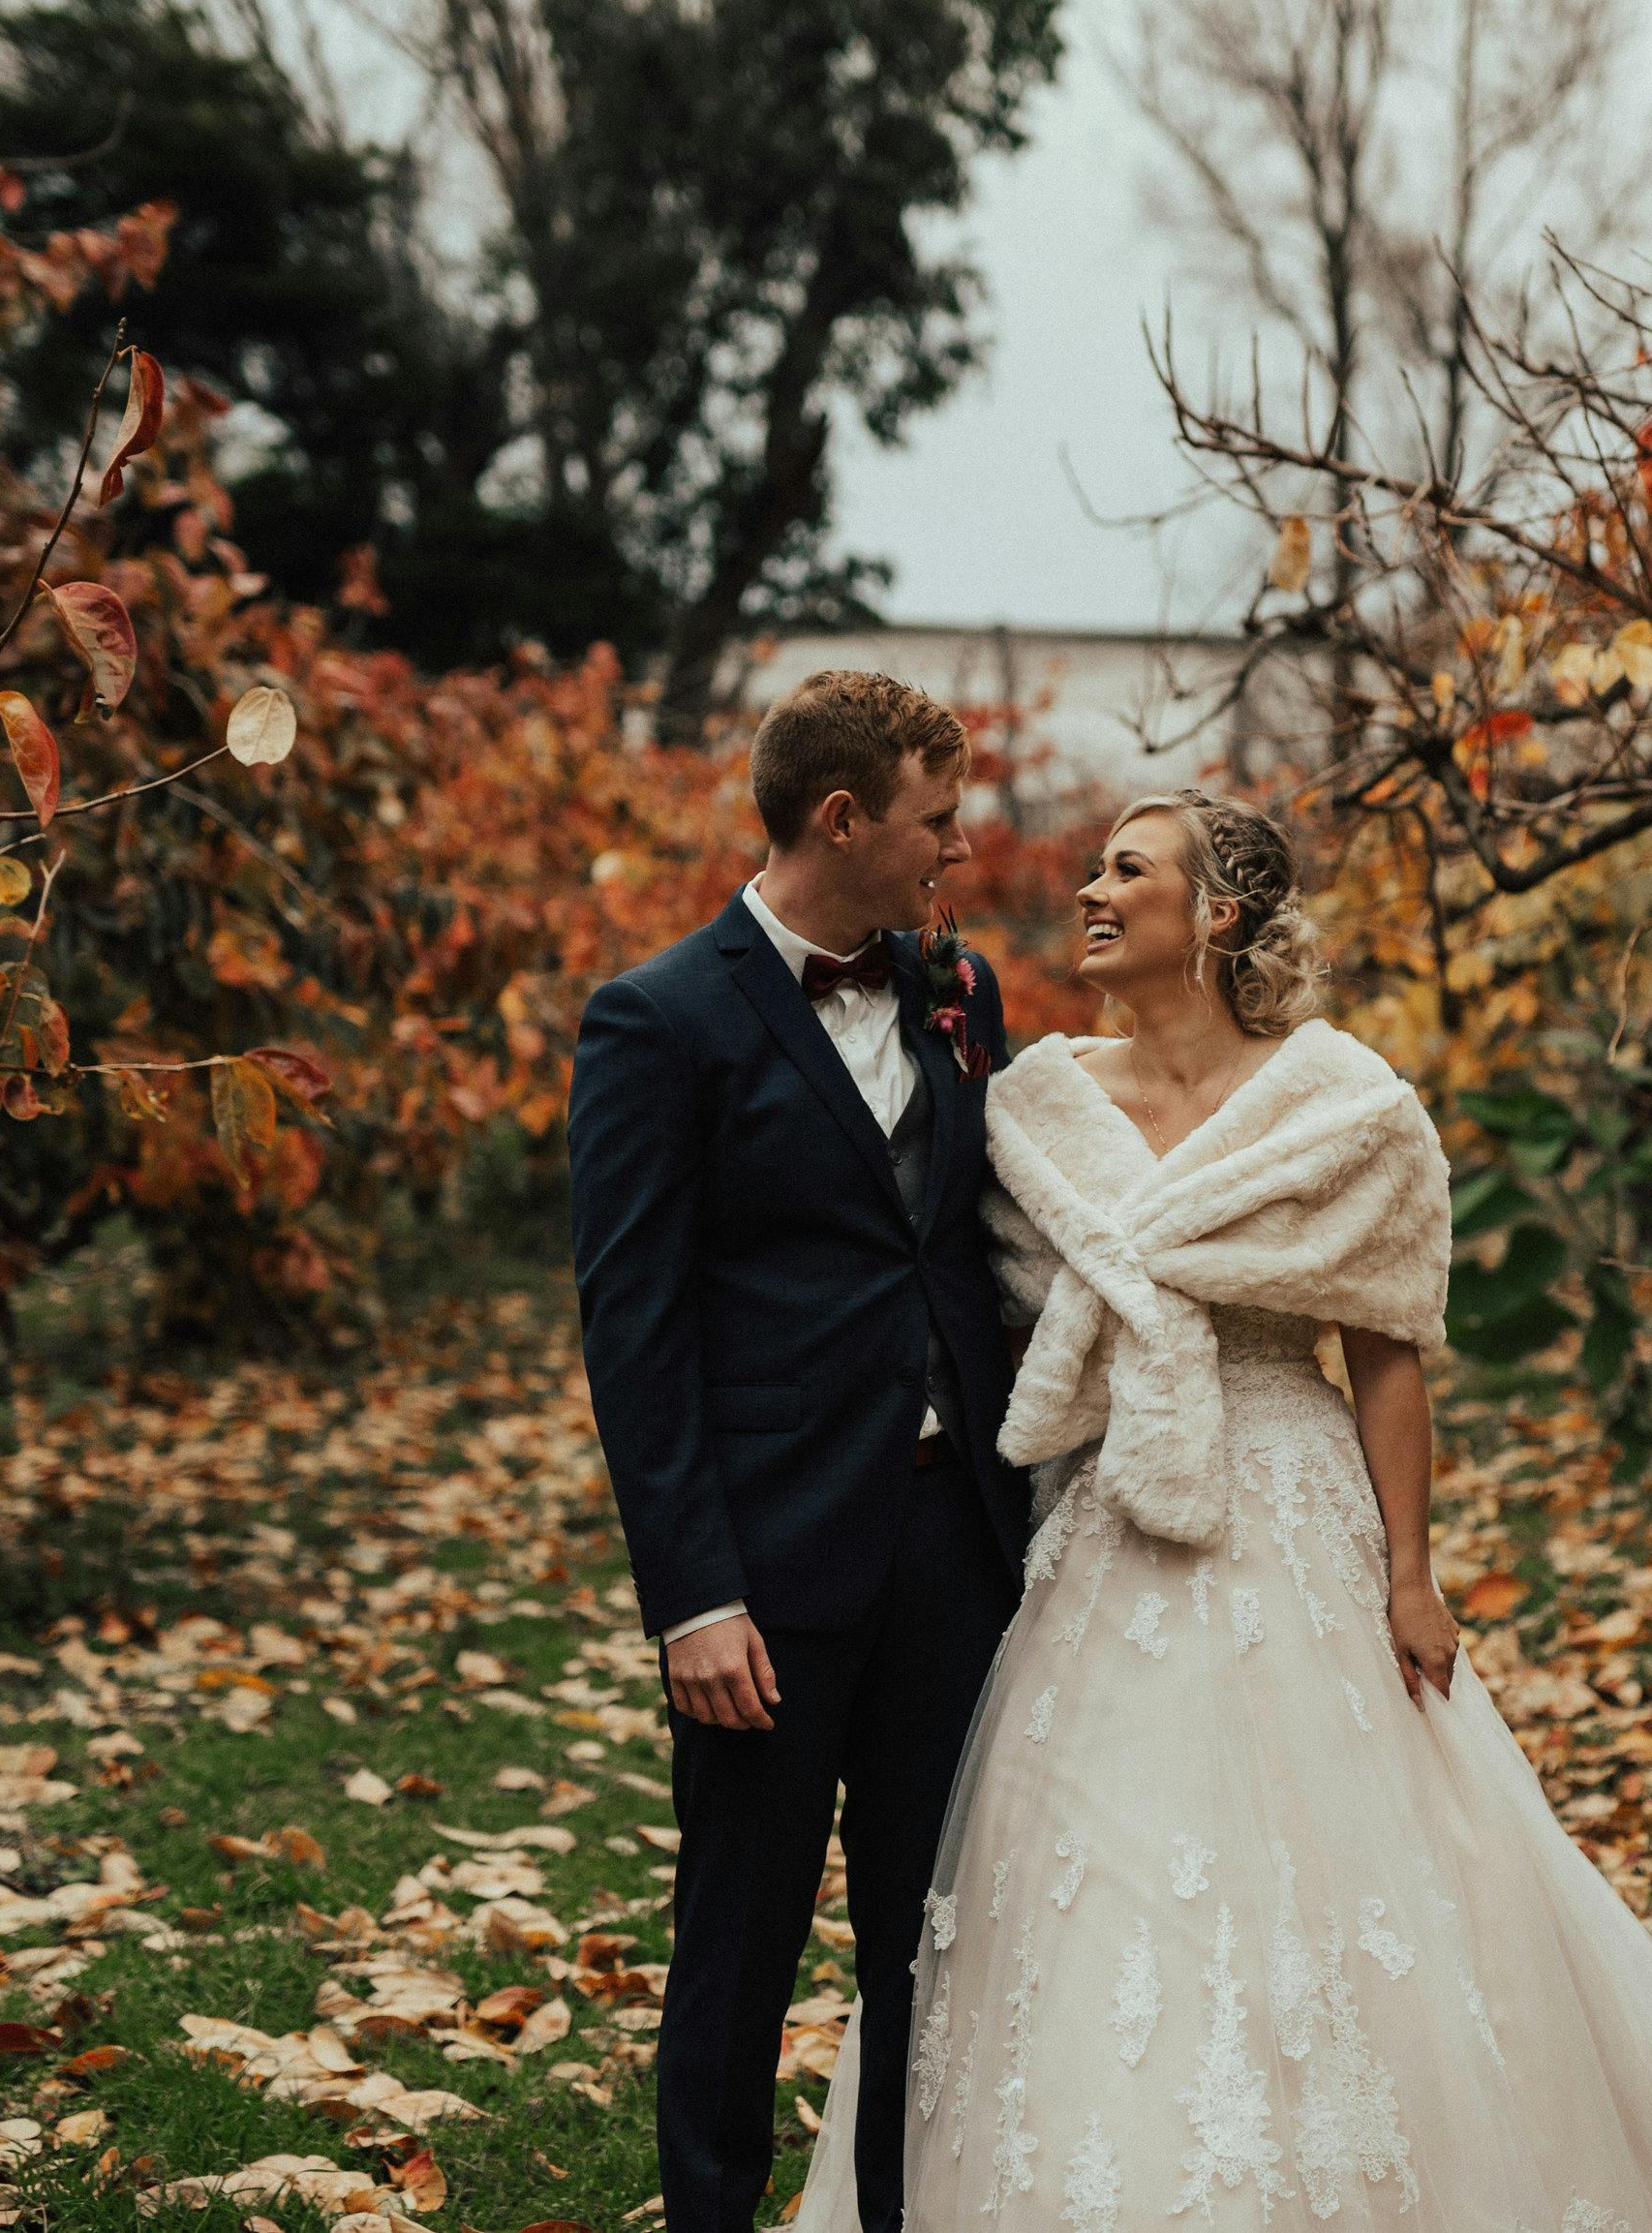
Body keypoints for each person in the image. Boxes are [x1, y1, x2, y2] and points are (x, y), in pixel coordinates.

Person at [792, 790, 1652, 2231]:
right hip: (1104, 1517)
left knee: (1343, 1850)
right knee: (1077, 1850)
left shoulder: (1343, 1107)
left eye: (1127, 870)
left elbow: (1390, 1350)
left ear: (1217, 913)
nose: (1090, 890)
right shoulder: (1034, 1103)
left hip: (1288, 1492)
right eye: (1093, 868)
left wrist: (1412, 1572)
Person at [566, 671, 1031, 2233]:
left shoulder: (959, 996)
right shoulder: (658, 1018)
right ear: (842, 819)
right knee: (741, 1935)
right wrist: (692, 1596)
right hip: (764, 1564)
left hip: (953, 1543)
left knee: (933, 1938)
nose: (953, 856)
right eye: (934, 823)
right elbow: (635, 1329)